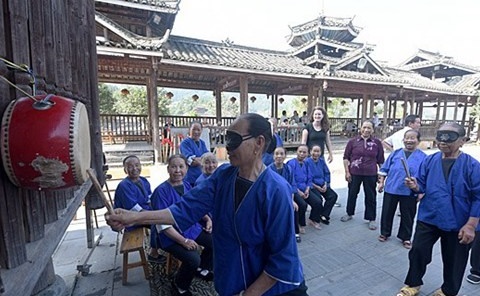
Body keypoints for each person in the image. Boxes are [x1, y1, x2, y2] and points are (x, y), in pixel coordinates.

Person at [106, 113, 308, 296]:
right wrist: (132, 217)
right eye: (226, 139)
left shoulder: (276, 191)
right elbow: (183, 209)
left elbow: (283, 259)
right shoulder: (223, 176)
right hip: (233, 278)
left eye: (234, 140)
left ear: (259, 143)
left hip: (273, 288)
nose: (227, 146)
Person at [398, 122, 480, 296]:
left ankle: (447, 291)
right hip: (430, 215)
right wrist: (414, 185)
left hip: (459, 221)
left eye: (449, 137)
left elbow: (478, 197)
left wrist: (471, 225)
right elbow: (421, 185)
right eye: (440, 136)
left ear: (462, 141)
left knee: (454, 260)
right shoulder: (430, 160)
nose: (443, 141)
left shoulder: (472, 166)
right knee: (418, 251)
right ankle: (413, 283)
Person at [151, 154, 214, 296]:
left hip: (190, 228)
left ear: (187, 168)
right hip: (170, 236)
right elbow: (162, 226)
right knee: (193, 259)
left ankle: (202, 269)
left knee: (214, 241)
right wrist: (183, 241)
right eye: (174, 167)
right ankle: (179, 285)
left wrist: (208, 219)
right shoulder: (160, 192)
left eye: (181, 166)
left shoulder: (186, 185)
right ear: (168, 169)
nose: (178, 170)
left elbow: (193, 207)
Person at [377, 130, 427, 248]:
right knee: (387, 212)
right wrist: (381, 183)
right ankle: (385, 233)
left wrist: (421, 192)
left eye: (412, 138)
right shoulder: (395, 153)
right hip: (392, 188)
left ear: (418, 141)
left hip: (410, 191)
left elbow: (426, 177)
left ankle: (405, 237)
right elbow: (384, 169)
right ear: (403, 140)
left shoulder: (423, 157)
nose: (409, 140)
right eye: (407, 138)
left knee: (408, 215)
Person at [113, 155, 162, 262]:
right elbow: (134, 209)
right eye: (130, 166)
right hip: (130, 218)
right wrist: (154, 214)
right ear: (125, 170)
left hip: (142, 213)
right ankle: (153, 253)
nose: (135, 169)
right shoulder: (124, 185)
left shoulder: (143, 180)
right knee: (158, 222)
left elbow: (150, 197)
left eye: (137, 165)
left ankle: (163, 242)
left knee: (163, 215)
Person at [341, 120, 384, 230]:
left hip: (371, 173)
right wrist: (347, 172)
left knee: (370, 196)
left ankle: (371, 218)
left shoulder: (377, 143)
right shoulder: (353, 142)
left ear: (372, 130)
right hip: (354, 173)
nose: (366, 130)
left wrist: (381, 177)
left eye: (369, 128)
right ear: (360, 128)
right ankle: (349, 213)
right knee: (352, 193)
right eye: (364, 127)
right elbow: (346, 157)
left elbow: (381, 160)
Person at [268, 146, 303, 243]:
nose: (279, 156)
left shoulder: (288, 169)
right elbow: (268, 188)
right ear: (273, 156)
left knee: (294, 207)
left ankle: (295, 232)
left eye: (281, 154)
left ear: (285, 156)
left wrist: (291, 201)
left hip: (287, 196)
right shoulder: (269, 170)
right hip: (274, 197)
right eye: (276, 154)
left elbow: (291, 185)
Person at [287, 145, 324, 231]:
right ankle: (300, 223)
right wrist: (299, 192)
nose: (302, 154)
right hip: (295, 190)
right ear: (297, 152)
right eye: (300, 151)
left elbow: (309, 178)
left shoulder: (306, 163)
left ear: (307, 154)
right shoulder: (291, 163)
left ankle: (313, 219)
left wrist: (307, 189)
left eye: (304, 152)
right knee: (303, 205)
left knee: (317, 202)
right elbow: (290, 180)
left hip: (305, 188)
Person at [305, 145, 339, 225]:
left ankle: (324, 214)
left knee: (333, 196)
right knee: (318, 199)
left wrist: (326, 184)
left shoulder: (321, 161)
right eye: (314, 151)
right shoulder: (306, 162)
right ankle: (314, 217)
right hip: (312, 186)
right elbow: (306, 178)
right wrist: (316, 187)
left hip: (322, 185)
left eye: (318, 151)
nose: (316, 153)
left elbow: (327, 173)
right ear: (310, 152)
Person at [180, 121, 209, 186]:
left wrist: (200, 160)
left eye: (198, 130)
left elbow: (209, 158)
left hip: (202, 178)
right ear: (189, 129)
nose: (196, 132)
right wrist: (204, 161)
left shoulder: (202, 143)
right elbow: (191, 161)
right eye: (194, 129)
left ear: (201, 131)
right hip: (190, 179)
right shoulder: (185, 143)